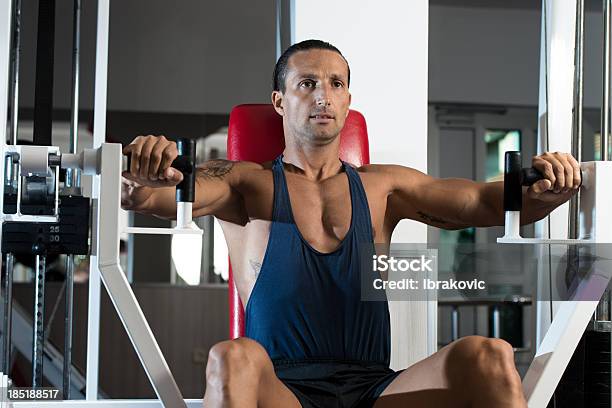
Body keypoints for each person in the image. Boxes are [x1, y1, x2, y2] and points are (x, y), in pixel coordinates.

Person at [121, 39, 580, 408]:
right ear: (280, 102)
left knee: (489, 356)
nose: (323, 94)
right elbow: (156, 196)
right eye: (307, 83)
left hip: (374, 390)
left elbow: (488, 202)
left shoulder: (384, 188)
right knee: (232, 357)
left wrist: (549, 189)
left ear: (348, 100)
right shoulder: (244, 182)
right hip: (284, 393)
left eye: (336, 83)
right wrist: (137, 175)